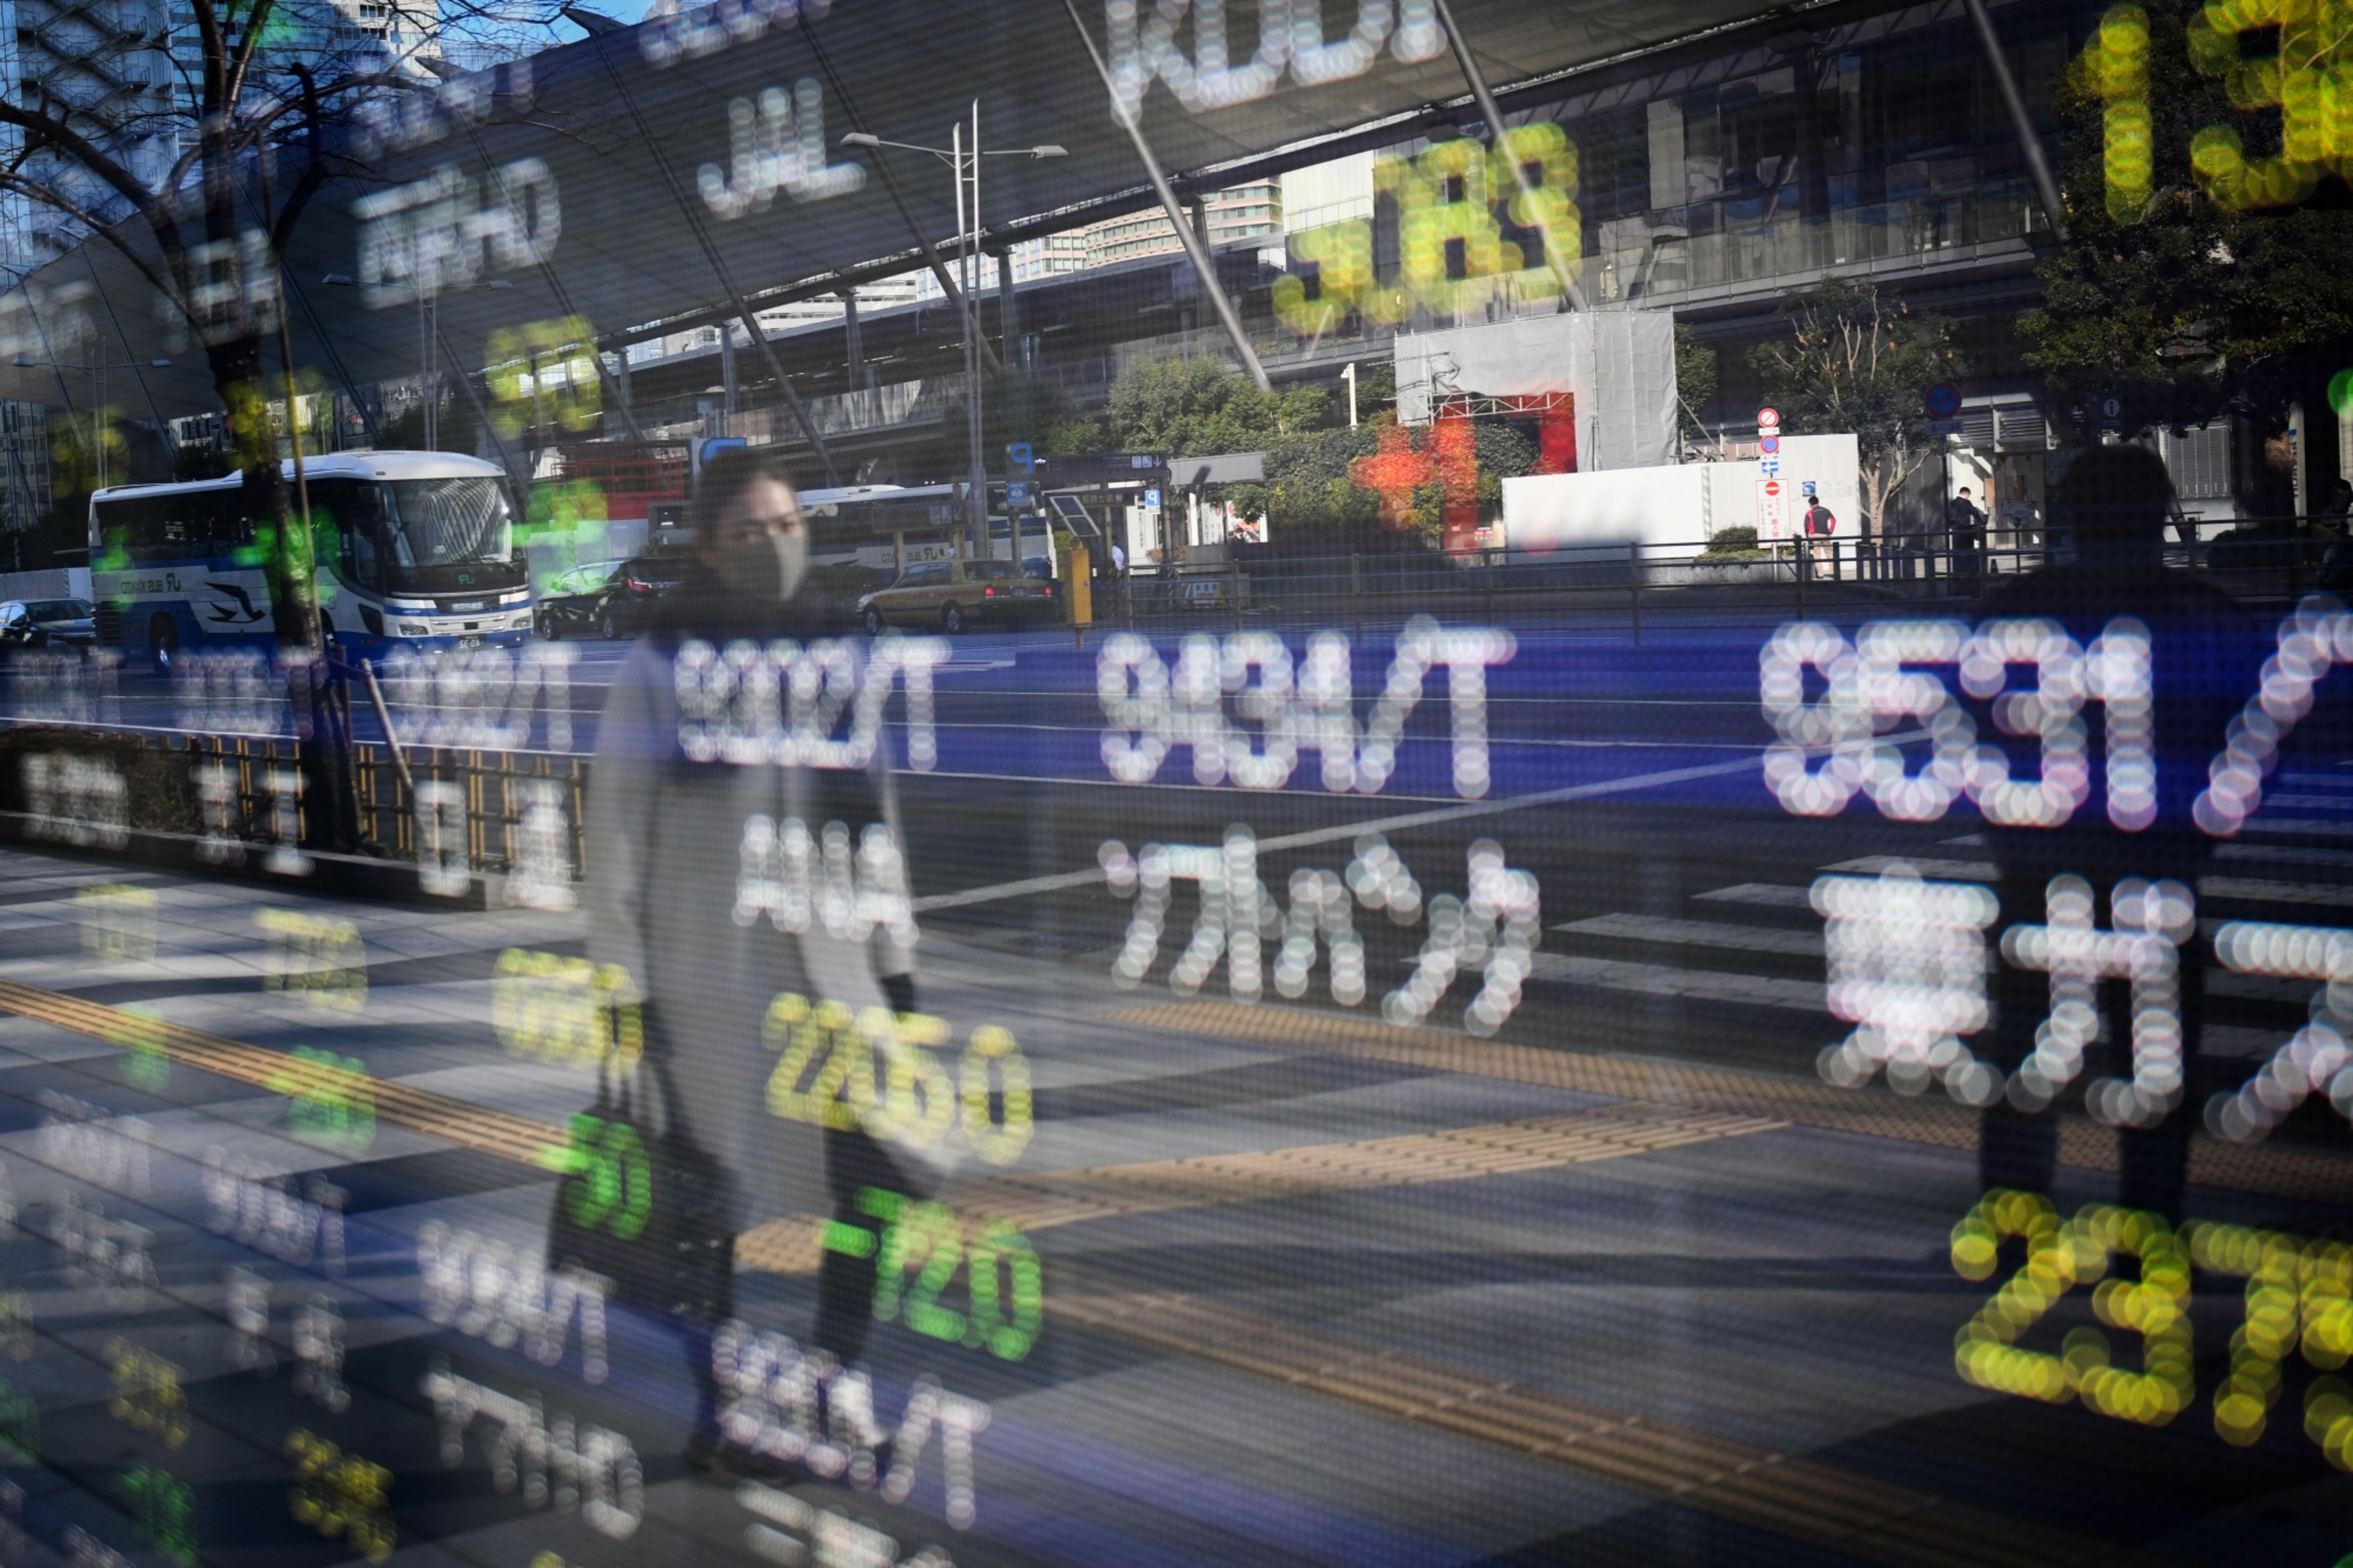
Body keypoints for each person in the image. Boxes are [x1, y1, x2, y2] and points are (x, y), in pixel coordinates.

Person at [584, 447, 939, 1474]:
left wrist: (899, 962)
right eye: (752, 531)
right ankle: (722, 1410)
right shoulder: (661, 663)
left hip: (837, 979)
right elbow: (614, 841)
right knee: (714, 1210)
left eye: (789, 526)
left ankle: (833, 1370)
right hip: (710, 989)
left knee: (873, 1184)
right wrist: (630, 998)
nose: (778, 547)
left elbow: (875, 823)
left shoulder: (833, 654)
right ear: (705, 546)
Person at [1975, 443, 2258, 1224]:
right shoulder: (2205, 615)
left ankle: (2010, 1228)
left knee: (2022, 1067)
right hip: (2157, 880)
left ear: (2069, 517)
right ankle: (2146, 1234)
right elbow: (2255, 742)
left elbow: (1971, 739)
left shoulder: (2012, 611)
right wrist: (2198, 836)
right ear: (2161, 515)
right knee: (2154, 1076)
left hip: (2037, 877)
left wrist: (2009, 837)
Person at [1947, 486, 1987, 580]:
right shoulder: (1966, 503)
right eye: (1969, 495)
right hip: (1966, 530)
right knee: (1968, 551)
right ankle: (1968, 572)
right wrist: (1982, 521)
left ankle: (1959, 571)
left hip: (1956, 531)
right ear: (1966, 494)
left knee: (1958, 552)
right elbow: (1975, 513)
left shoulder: (1953, 503)